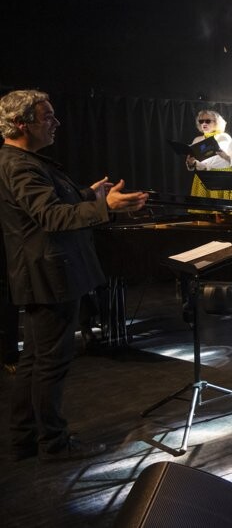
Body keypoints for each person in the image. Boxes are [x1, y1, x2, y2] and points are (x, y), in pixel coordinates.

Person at [0, 89, 148, 462]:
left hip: (43, 273)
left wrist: (87, 194)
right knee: (50, 363)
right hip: (50, 276)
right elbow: (50, 217)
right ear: (21, 124)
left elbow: (51, 204)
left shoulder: (24, 161)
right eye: (47, 116)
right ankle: (53, 443)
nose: (56, 122)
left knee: (34, 360)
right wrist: (104, 207)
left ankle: (24, 439)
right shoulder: (20, 165)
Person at [186, 109, 232, 202]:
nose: (204, 124)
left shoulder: (224, 137)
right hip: (203, 177)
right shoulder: (197, 140)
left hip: (222, 176)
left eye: (208, 121)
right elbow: (196, 163)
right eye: (201, 121)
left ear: (216, 122)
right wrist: (191, 163)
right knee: (203, 208)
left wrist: (226, 156)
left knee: (223, 207)